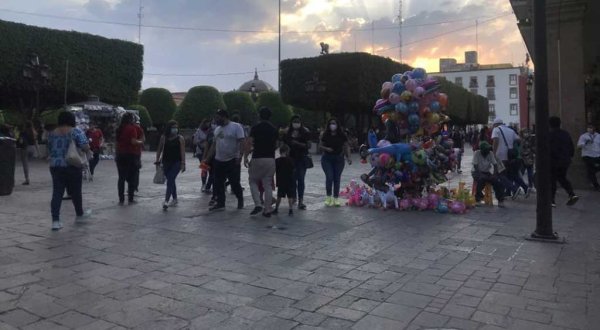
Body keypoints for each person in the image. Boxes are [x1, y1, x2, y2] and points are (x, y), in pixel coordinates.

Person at [47, 111, 91, 230]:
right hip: (72, 165)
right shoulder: (75, 131)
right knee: (76, 191)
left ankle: (55, 221)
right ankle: (79, 214)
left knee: (57, 193)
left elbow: (49, 148)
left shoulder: (52, 133)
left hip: (55, 166)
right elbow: (85, 146)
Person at [203, 109, 245, 211]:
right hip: (218, 160)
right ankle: (221, 203)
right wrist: (207, 159)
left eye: (217, 118)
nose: (216, 120)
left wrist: (239, 156)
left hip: (232, 160)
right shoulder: (217, 129)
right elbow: (213, 145)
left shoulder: (236, 127)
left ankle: (240, 198)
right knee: (218, 183)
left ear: (224, 117)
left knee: (234, 182)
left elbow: (241, 142)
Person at [244, 107, 279, 217]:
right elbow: (277, 144)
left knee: (253, 180)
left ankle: (258, 204)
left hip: (257, 157)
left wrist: (245, 157)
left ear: (260, 115)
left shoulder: (255, 128)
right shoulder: (274, 129)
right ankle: (267, 209)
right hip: (270, 159)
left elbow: (249, 143)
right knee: (267, 184)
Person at [320, 118, 352, 206]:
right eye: (331, 123)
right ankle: (328, 197)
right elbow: (320, 146)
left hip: (339, 159)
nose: (332, 125)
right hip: (327, 158)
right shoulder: (325, 134)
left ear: (337, 125)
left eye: (334, 123)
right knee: (329, 177)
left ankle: (336, 198)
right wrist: (327, 149)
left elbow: (346, 146)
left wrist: (349, 157)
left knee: (337, 178)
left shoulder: (342, 135)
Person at [491, 118, 526, 198]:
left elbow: (495, 141)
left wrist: (494, 153)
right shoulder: (510, 130)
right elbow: (519, 140)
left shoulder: (496, 130)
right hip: (510, 156)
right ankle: (522, 188)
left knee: (500, 175)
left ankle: (514, 189)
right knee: (509, 175)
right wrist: (515, 149)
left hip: (500, 156)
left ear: (496, 124)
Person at [155, 120, 186, 210]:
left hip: (176, 162)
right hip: (165, 162)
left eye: (176, 128)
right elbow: (159, 150)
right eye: (173, 127)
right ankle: (175, 198)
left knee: (170, 179)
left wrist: (183, 163)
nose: (175, 129)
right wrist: (157, 161)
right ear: (169, 128)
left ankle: (166, 201)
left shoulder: (180, 138)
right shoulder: (163, 137)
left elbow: (182, 152)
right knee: (171, 180)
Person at [549, 116, 579, 206]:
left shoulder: (549, 134)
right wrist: (569, 157)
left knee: (552, 180)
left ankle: (552, 200)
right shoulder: (566, 134)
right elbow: (571, 147)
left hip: (553, 161)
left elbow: (549, 149)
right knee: (562, 178)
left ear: (549, 124)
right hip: (565, 161)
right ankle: (571, 194)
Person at [283, 115, 311, 210]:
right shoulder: (287, 132)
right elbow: (284, 144)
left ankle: (301, 201)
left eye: (298, 121)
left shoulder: (305, 132)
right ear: (291, 123)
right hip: (290, 159)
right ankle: (294, 197)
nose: (296, 123)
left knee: (301, 179)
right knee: (292, 180)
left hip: (302, 158)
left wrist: (297, 143)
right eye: (294, 121)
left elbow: (309, 145)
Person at [115, 113, 144, 205]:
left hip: (120, 155)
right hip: (131, 154)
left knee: (121, 178)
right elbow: (133, 141)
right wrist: (141, 142)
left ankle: (121, 199)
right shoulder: (132, 128)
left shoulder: (119, 129)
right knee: (132, 177)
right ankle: (130, 198)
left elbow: (116, 143)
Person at [472, 141, 505, 207]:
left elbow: (495, 165)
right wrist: (481, 174)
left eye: (488, 150)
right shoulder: (477, 153)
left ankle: (500, 200)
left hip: (486, 172)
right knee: (481, 180)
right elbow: (475, 166)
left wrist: (494, 175)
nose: (487, 151)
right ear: (482, 150)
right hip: (477, 172)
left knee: (497, 182)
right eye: (486, 150)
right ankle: (478, 199)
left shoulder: (490, 153)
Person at [273, 144, 295, 216]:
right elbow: (293, 169)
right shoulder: (291, 160)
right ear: (287, 151)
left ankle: (276, 209)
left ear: (280, 152)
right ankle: (290, 210)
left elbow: (274, 170)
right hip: (289, 180)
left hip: (281, 181)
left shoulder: (277, 161)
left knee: (279, 196)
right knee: (290, 196)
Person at [577, 123, 600, 191]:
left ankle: (594, 181)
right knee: (591, 170)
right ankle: (596, 186)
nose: (590, 129)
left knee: (593, 170)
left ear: (594, 128)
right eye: (588, 127)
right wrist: (585, 143)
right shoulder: (584, 136)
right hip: (587, 155)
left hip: (597, 155)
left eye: (591, 127)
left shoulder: (598, 136)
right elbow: (578, 146)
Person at [16, 121, 39, 185]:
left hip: (25, 148)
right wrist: (38, 152)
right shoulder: (34, 133)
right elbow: (35, 142)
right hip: (32, 148)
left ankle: (27, 179)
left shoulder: (22, 132)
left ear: (25, 126)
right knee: (27, 162)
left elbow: (20, 141)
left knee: (25, 164)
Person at [193, 119, 212, 192]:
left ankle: (209, 184)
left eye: (209, 123)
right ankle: (203, 184)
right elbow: (195, 141)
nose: (208, 125)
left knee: (210, 168)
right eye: (207, 123)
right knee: (204, 168)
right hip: (201, 152)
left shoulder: (211, 131)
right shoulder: (199, 131)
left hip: (209, 152)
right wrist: (202, 141)